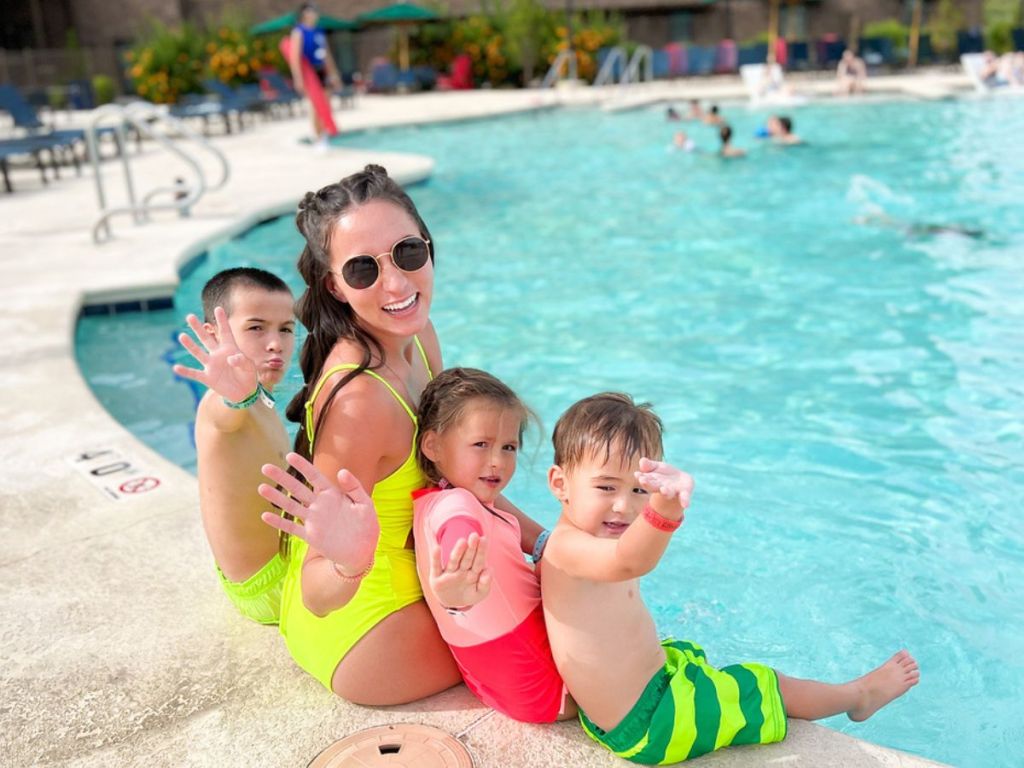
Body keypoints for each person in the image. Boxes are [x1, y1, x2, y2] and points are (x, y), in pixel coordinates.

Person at [257, 165, 545, 704]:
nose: (396, 283)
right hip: (367, 627)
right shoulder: (361, 403)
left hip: (433, 583)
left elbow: (462, 472)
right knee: (566, 657)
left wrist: (543, 542)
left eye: (409, 253)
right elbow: (318, 590)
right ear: (335, 287)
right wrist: (351, 560)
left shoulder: (419, 335)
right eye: (363, 270)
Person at [541, 393, 921, 765]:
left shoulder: (577, 540)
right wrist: (665, 506)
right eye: (606, 487)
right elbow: (629, 562)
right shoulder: (567, 548)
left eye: (640, 490)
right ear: (560, 484)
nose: (623, 506)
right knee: (763, 683)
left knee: (690, 658)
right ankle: (858, 696)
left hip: (637, 703)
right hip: (653, 725)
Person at [412, 367, 574, 723]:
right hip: (546, 687)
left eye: (509, 447)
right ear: (433, 445)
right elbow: (459, 535)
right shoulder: (458, 507)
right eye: (481, 444)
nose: (497, 460)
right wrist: (455, 596)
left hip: (501, 687)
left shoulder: (434, 499)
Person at [172, 268, 296, 624]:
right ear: (215, 335)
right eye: (256, 328)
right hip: (271, 586)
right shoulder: (221, 405)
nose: (276, 343)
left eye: (285, 329)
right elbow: (227, 414)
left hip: (265, 573)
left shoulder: (259, 397)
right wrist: (235, 398)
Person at [288, 3, 342, 149]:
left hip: (321, 70)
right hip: (309, 73)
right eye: (311, 12)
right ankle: (317, 137)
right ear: (304, 14)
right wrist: (298, 78)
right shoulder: (298, 32)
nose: (314, 15)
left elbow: (327, 55)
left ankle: (323, 134)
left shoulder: (319, 31)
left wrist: (334, 74)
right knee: (315, 105)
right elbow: (294, 57)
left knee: (326, 104)